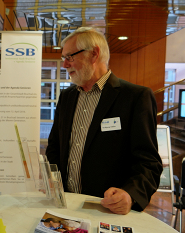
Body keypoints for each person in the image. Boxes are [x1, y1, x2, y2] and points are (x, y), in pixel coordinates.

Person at [45, 27, 163, 215]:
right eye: (63, 59)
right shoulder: (66, 97)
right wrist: (49, 179)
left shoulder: (135, 97)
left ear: (94, 54)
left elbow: (148, 163)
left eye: (70, 57)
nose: (65, 65)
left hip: (107, 210)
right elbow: (55, 148)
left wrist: (130, 195)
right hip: (65, 208)